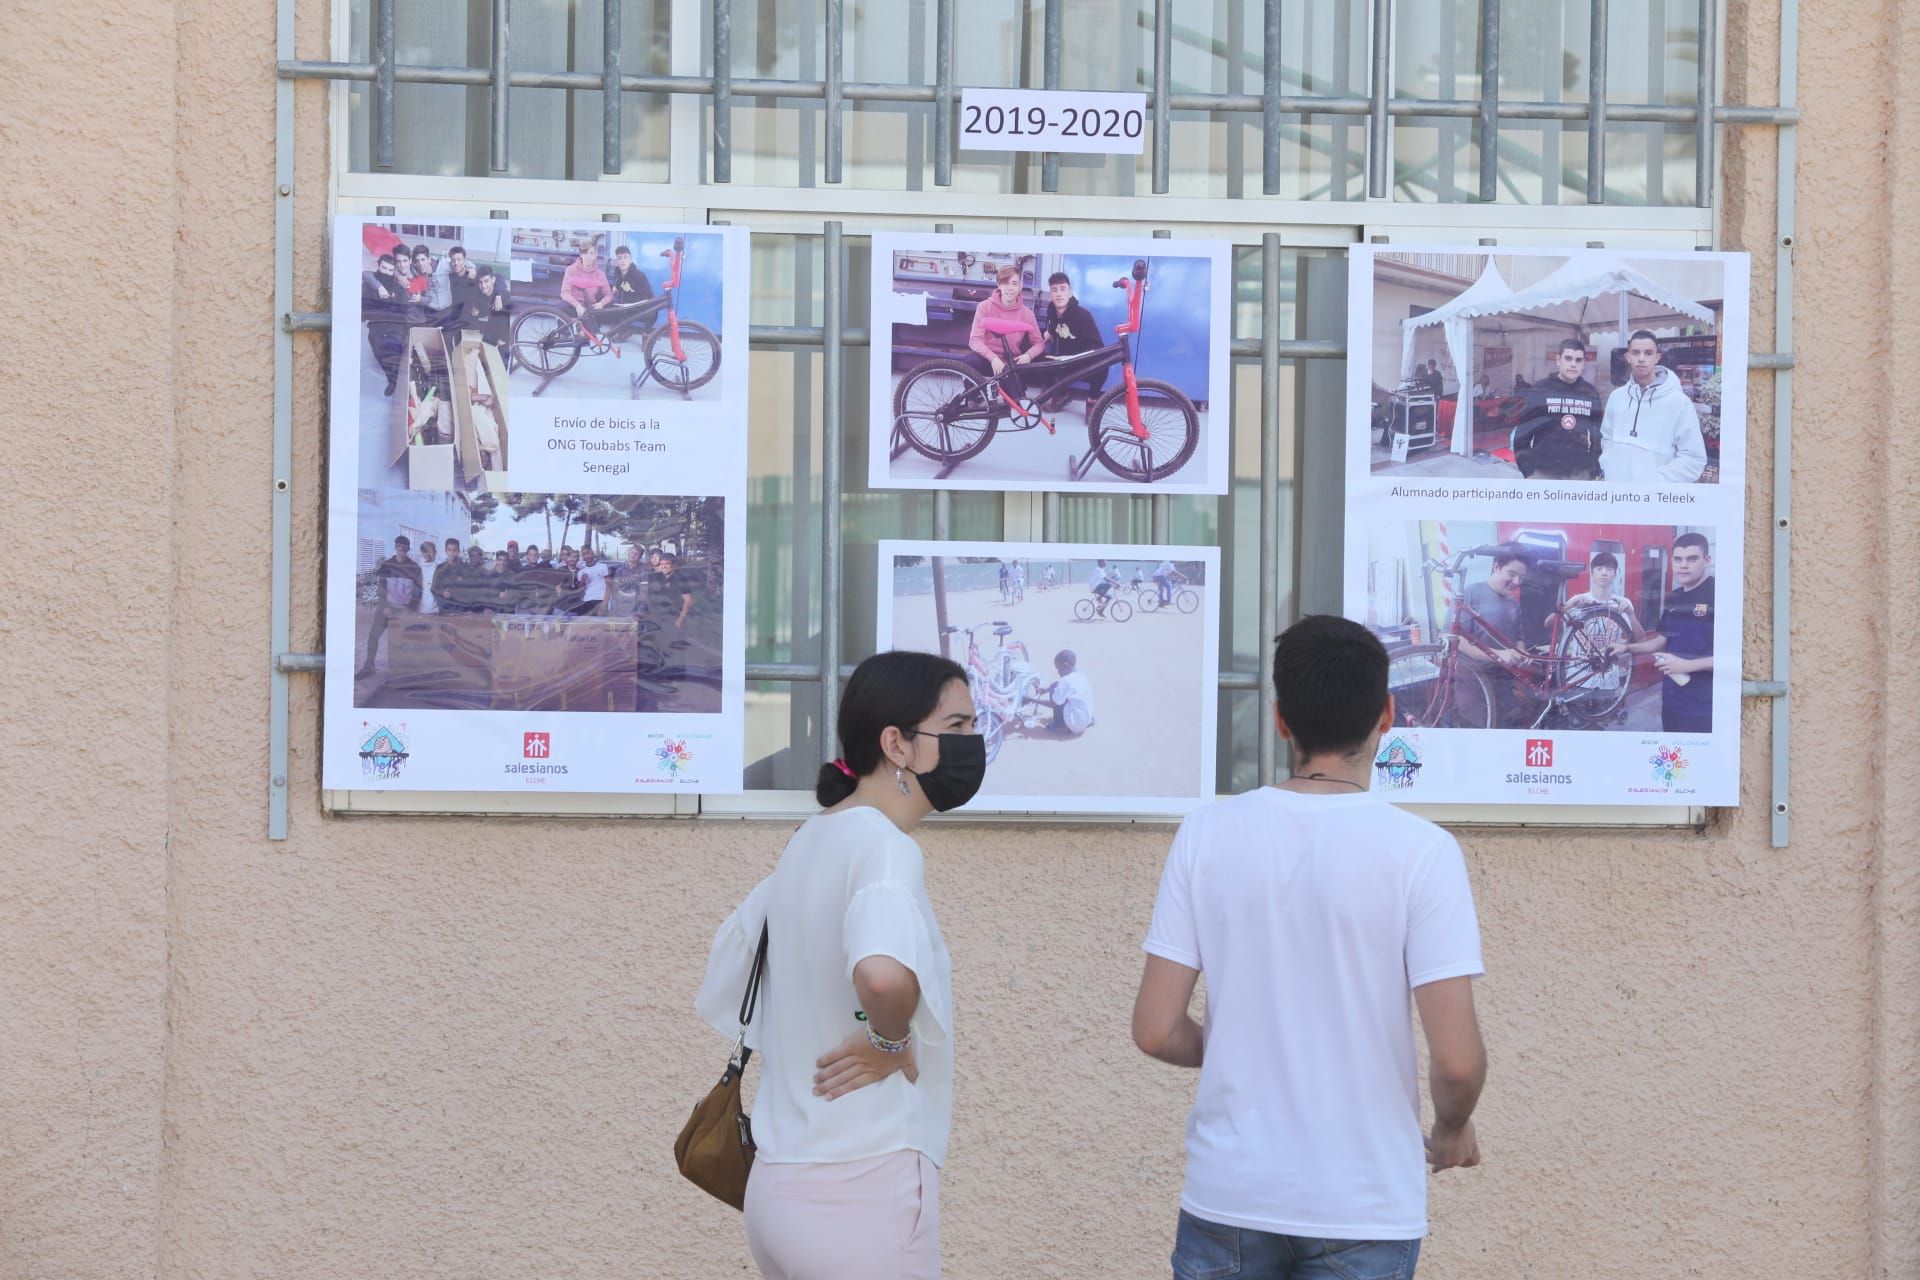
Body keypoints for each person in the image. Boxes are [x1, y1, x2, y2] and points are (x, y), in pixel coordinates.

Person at [1132, 615, 1486, 1280]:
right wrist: (1450, 1130)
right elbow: (1459, 1063)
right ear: (1387, 713)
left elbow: (1154, 1030)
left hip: (1230, 1194)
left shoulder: (1207, 833)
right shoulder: (1423, 853)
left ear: (1280, 720)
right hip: (1364, 1203)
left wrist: (1242, 1043)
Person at [696, 651, 983, 1280]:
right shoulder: (885, 848)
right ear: (896, 744)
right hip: (862, 1187)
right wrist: (889, 1038)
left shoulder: (811, 838)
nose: (973, 743)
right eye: (957, 727)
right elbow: (880, 973)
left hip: (778, 1187)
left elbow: (736, 961)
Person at [1609, 532, 1716, 732]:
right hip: (1672, 698)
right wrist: (1626, 647)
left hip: (1705, 705)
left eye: (1692, 559)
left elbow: (1733, 659)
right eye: (1678, 559)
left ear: (1707, 560)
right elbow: (1660, 641)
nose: (1683, 565)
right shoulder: (1674, 598)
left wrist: (1687, 665)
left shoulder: (1718, 594)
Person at [1598, 330, 1708, 483]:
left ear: (1657, 358)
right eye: (1636, 353)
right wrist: (1609, 466)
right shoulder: (1616, 397)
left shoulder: (1679, 402)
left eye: (1648, 353)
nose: (1641, 359)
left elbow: (1693, 458)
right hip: (1616, 495)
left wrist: (1656, 482)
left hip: (1655, 500)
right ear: (1628, 357)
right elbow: (1607, 438)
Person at [1451, 547, 1531, 728]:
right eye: (1512, 574)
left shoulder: (1513, 602)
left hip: (1504, 683)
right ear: (1496, 567)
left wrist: (1521, 652)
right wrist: (1498, 654)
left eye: (1521, 577)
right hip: (1474, 682)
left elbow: (1519, 635)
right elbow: (1454, 639)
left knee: (1506, 726)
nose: (1517, 581)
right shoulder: (1470, 593)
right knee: (1480, 731)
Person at [1512, 338, 1603, 480]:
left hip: (1578, 474)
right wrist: (1528, 471)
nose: (1573, 364)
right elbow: (1522, 435)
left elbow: (1598, 437)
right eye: (1568, 358)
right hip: (1543, 472)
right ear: (1558, 360)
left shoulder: (1590, 393)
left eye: (1578, 360)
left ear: (1583, 363)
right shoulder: (1541, 390)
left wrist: (1591, 469)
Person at [1039, 269, 1108, 416]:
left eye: (1063, 289)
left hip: (1083, 363)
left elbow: (1096, 347)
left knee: (1103, 366)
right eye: (1054, 290)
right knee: (1039, 361)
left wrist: (1073, 358)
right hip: (1062, 362)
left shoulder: (1083, 315)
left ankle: (1092, 401)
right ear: (1051, 294)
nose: (1058, 294)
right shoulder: (1051, 311)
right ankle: (1061, 395)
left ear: (1070, 293)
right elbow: (1055, 326)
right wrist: (1049, 333)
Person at [965, 265, 1042, 392]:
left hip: (1011, 363)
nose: (1010, 288)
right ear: (999, 285)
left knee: (1015, 403)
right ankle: (974, 396)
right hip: (987, 359)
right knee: (969, 361)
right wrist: (993, 358)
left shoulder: (1027, 314)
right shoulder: (984, 307)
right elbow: (974, 340)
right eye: (1005, 283)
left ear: (1020, 287)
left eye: (1014, 283)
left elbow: (1039, 343)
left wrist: (1028, 355)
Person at [356, 536, 422, 679]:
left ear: (408, 548)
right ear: (395, 547)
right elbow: (381, 588)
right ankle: (369, 667)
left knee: (402, 640)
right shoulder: (387, 565)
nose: (402, 549)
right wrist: (384, 606)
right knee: (373, 635)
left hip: (403, 609)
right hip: (386, 608)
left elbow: (418, 591)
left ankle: (402, 671)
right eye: (399, 546)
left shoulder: (414, 567)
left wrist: (409, 609)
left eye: (405, 547)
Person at [560, 238, 616, 343]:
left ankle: (584, 328)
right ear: (581, 254)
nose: (589, 257)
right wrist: (577, 305)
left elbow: (609, 295)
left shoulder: (600, 274)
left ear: (595, 255)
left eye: (591, 253)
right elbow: (564, 293)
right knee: (561, 306)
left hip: (589, 308)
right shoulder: (570, 270)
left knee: (594, 339)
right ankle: (565, 331)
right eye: (585, 253)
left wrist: (601, 304)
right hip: (573, 306)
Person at [1044, 649, 1094, 737]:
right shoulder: (1081, 675)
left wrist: (1032, 700)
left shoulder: (1065, 681)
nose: (1058, 672)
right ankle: (1088, 721)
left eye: (1058, 668)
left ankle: (1059, 724)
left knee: (1056, 693)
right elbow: (1061, 685)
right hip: (1087, 717)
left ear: (1065, 665)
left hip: (1075, 725)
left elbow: (1054, 703)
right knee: (1057, 688)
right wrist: (1046, 689)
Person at [606, 243, 657, 329]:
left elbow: (650, 296)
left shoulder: (639, 275)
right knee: (611, 311)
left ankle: (647, 334)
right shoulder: (617, 272)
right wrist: (615, 288)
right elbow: (618, 284)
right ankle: (625, 331)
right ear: (617, 261)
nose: (622, 261)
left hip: (640, 308)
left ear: (630, 259)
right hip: (626, 307)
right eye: (619, 258)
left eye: (625, 257)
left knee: (653, 312)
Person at [606, 544, 650, 619]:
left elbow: (644, 593)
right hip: (620, 605)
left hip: (635, 605)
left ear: (639, 557)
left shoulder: (643, 571)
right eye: (632, 552)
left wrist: (639, 612)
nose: (633, 555)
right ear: (628, 553)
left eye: (636, 554)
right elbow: (615, 591)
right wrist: (613, 610)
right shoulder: (619, 570)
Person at [658, 551, 699, 631]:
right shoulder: (663, 578)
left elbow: (689, 601)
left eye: (667, 563)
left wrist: (680, 620)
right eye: (662, 564)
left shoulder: (680, 579)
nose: (664, 566)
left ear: (674, 565)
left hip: (676, 618)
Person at [577, 546, 610, 616]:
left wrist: (605, 602)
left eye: (588, 553)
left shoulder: (603, 566)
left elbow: (609, 585)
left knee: (600, 624)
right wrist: (582, 580)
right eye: (584, 554)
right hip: (586, 600)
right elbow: (579, 589)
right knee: (584, 624)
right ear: (582, 556)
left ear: (592, 553)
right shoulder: (581, 571)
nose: (586, 556)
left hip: (600, 599)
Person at [414, 539, 441, 615]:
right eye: (425, 552)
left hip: (435, 611)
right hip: (420, 611)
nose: (427, 554)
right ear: (422, 553)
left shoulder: (440, 569)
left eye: (430, 551)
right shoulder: (418, 569)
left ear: (435, 552)